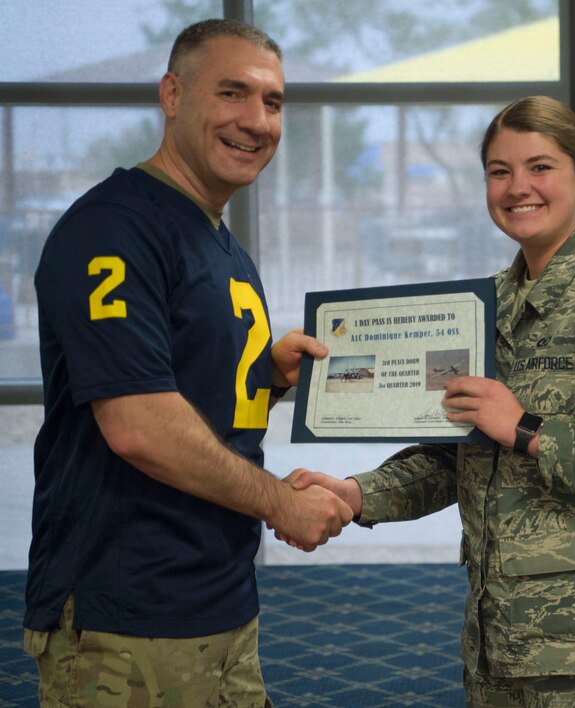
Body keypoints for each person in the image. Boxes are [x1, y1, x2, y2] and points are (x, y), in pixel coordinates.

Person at [286, 96, 575, 705]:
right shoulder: (483, 310)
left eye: (540, 167)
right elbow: (458, 455)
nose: (518, 188)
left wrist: (530, 428)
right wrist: (357, 495)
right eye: (499, 171)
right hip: (500, 649)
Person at [25, 19, 355, 706]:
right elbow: (140, 424)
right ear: (173, 94)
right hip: (128, 615)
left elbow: (175, 377)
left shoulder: (220, 243)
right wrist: (280, 504)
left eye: (272, 101)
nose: (256, 120)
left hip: (222, 599)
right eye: (232, 93)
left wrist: (262, 371)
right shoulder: (114, 229)